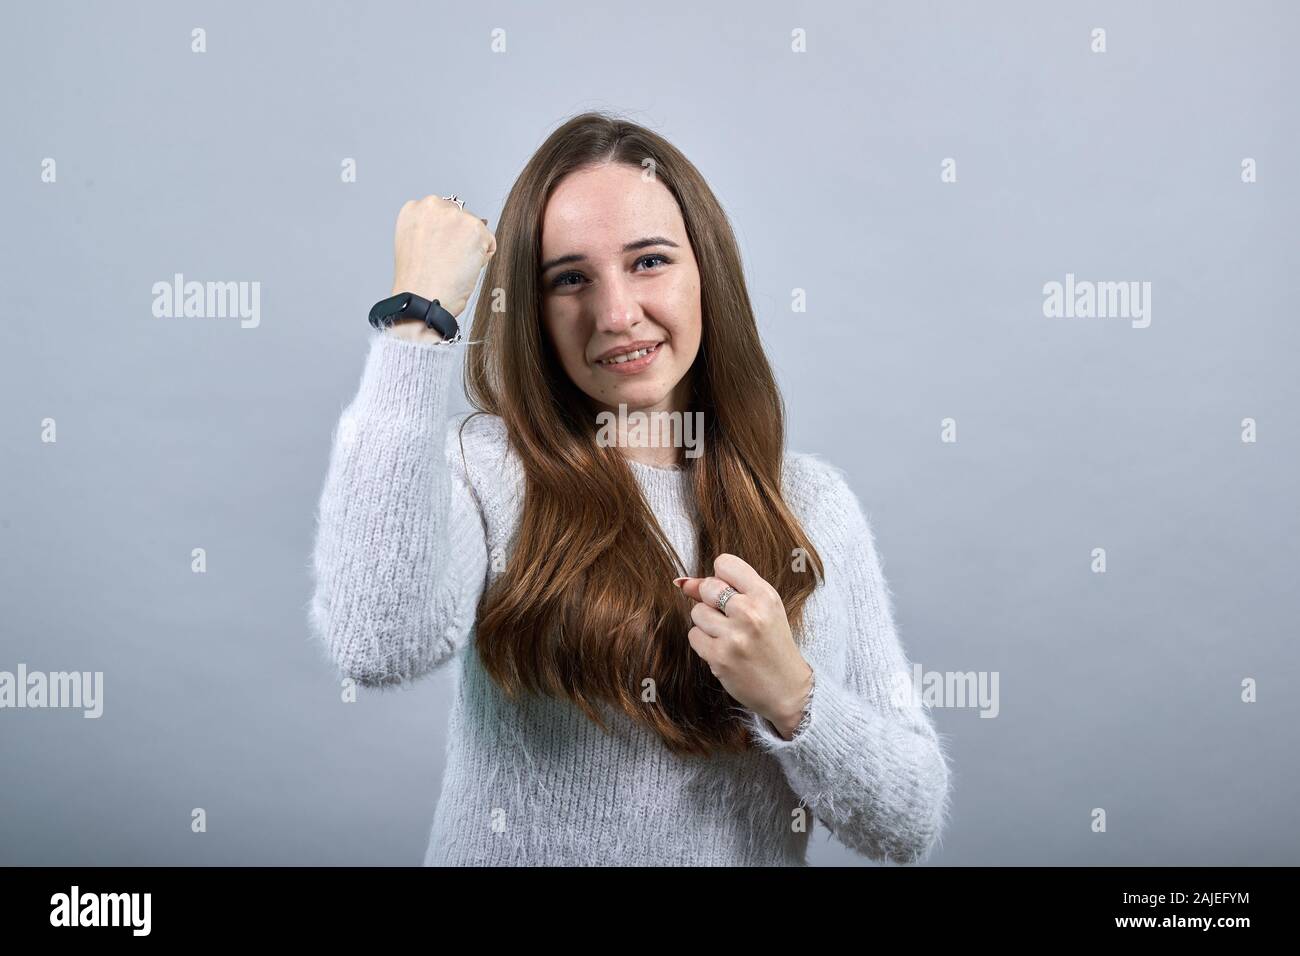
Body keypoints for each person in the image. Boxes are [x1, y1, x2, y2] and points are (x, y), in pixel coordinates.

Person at [308, 111, 952, 866]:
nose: (615, 315)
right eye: (570, 279)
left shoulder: (810, 504)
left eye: (649, 262)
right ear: (534, 311)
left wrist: (792, 694)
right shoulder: (485, 469)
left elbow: (908, 823)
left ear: (706, 272)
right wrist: (416, 318)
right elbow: (375, 642)